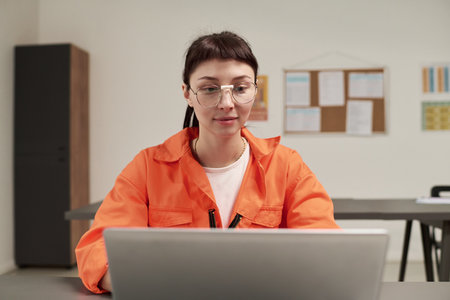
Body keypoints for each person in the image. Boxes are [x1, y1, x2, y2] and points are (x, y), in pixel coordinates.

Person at [75, 31, 339, 294]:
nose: (226, 103)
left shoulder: (286, 166)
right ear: (187, 94)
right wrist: (164, 286)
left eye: (240, 88)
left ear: (254, 91)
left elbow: (326, 251)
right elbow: (96, 253)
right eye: (210, 89)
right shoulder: (148, 167)